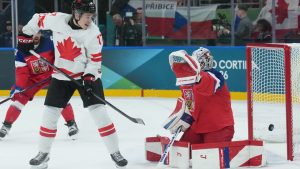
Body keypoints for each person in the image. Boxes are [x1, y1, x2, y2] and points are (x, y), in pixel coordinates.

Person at [22, 0, 127, 168]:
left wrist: (89, 77)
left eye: (92, 16)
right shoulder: (57, 19)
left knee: (100, 114)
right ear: (76, 14)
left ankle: (115, 152)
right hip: (61, 76)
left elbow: (95, 61)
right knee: (49, 114)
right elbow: (36, 19)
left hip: (86, 77)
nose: (90, 20)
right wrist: (25, 36)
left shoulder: (94, 33)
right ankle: (44, 153)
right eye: (87, 16)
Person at [0, 31, 79, 140]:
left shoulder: (51, 43)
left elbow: (62, 57)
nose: (35, 36)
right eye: (32, 34)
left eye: (37, 33)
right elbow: (22, 72)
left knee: (60, 97)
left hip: (52, 75)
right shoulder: (21, 51)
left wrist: (60, 70)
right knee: (19, 99)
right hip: (33, 79)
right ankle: (6, 125)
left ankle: (72, 124)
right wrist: (18, 88)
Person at [165, 48, 235, 144]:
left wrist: (196, 75)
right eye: (202, 60)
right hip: (197, 127)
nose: (206, 62)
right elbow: (189, 104)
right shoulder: (187, 80)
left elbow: (207, 86)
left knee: (210, 156)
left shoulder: (215, 75)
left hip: (219, 128)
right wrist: (181, 119)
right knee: (183, 152)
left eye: (208, 59)